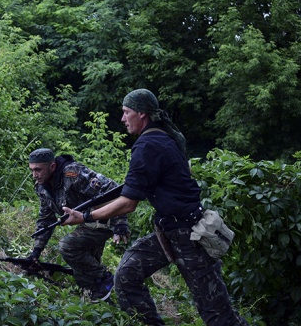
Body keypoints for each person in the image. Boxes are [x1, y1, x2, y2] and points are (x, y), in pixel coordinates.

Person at [61, 89, 248, 326]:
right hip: (168, 230)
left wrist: (85, 216)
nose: (122, 118)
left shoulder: (149, 145)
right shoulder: (164, 137)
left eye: (126, 112)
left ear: (142, 114)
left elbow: (128, 203)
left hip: (189, 235)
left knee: (219, 316)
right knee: (126, 276)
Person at [27, 148, 128, 302]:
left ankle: (106, 277)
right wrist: (36, 251)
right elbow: (45, 220)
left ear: (52, 166)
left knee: (68, 246)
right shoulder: (42, 187)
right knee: (86, 277)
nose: (35, 174)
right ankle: (103, 305)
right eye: (32, 170)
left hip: (103, 218)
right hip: (85, 223)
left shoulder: (72, 174)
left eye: (38, 170)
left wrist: (121, 222)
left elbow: (112, 190)